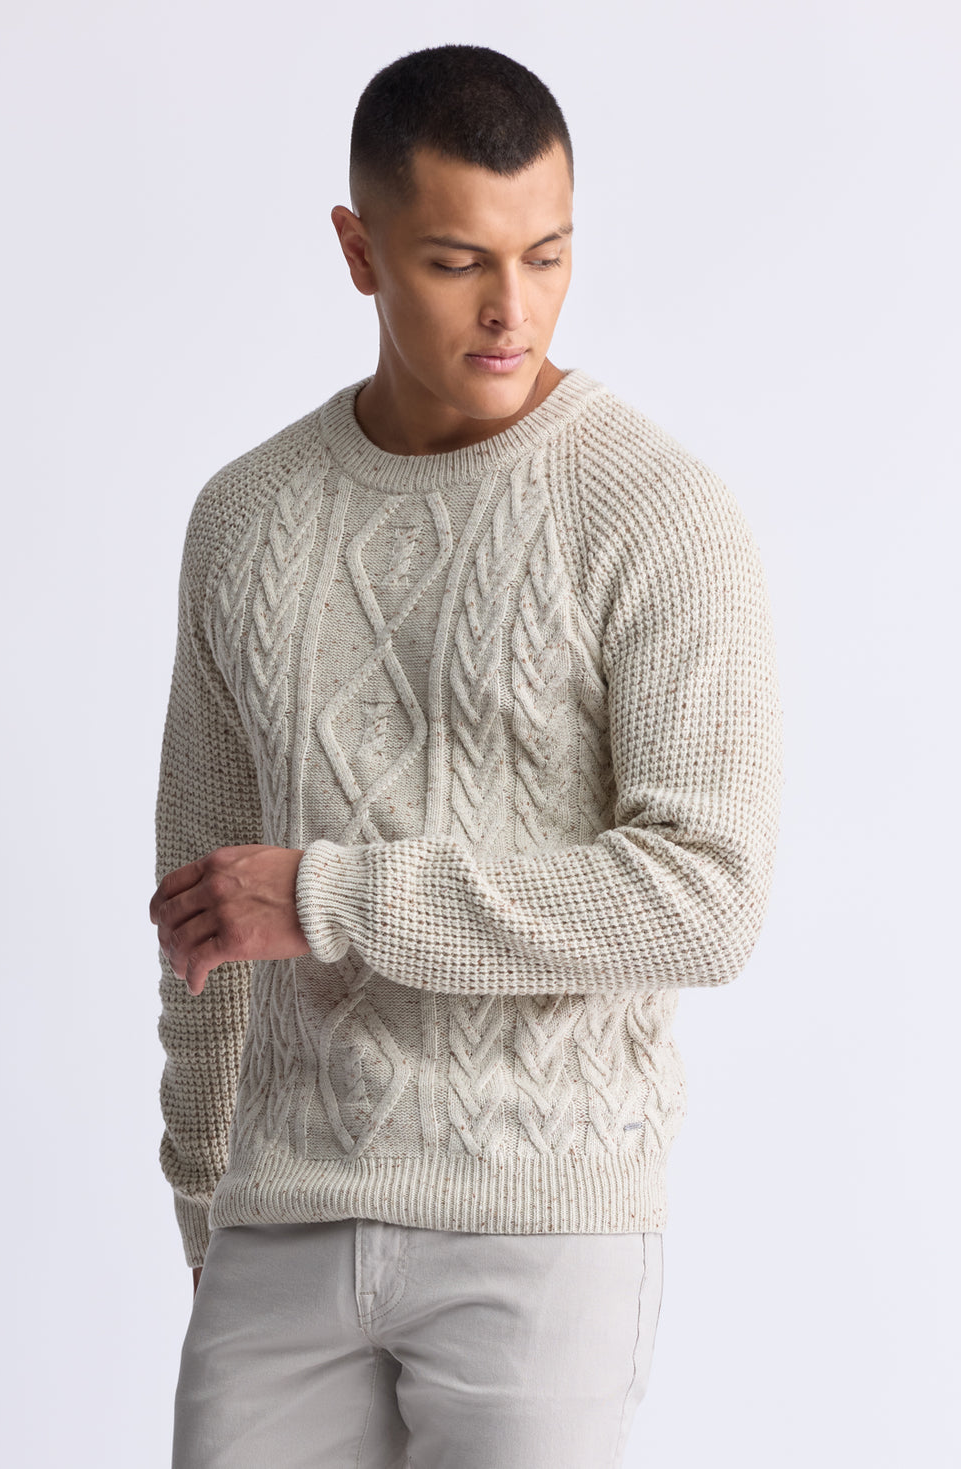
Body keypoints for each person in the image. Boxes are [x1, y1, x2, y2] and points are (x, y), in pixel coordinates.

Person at [149, 41, 783, 1469]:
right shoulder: (245, 519)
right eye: (456, 263)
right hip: (280, 1229)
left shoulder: (656, 512)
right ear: (358, 250)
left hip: (543, 1224)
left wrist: (333, 896)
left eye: (547, 256)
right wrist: (208, 1209)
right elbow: (202, 912)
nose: (514, 309)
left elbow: (708, 897)